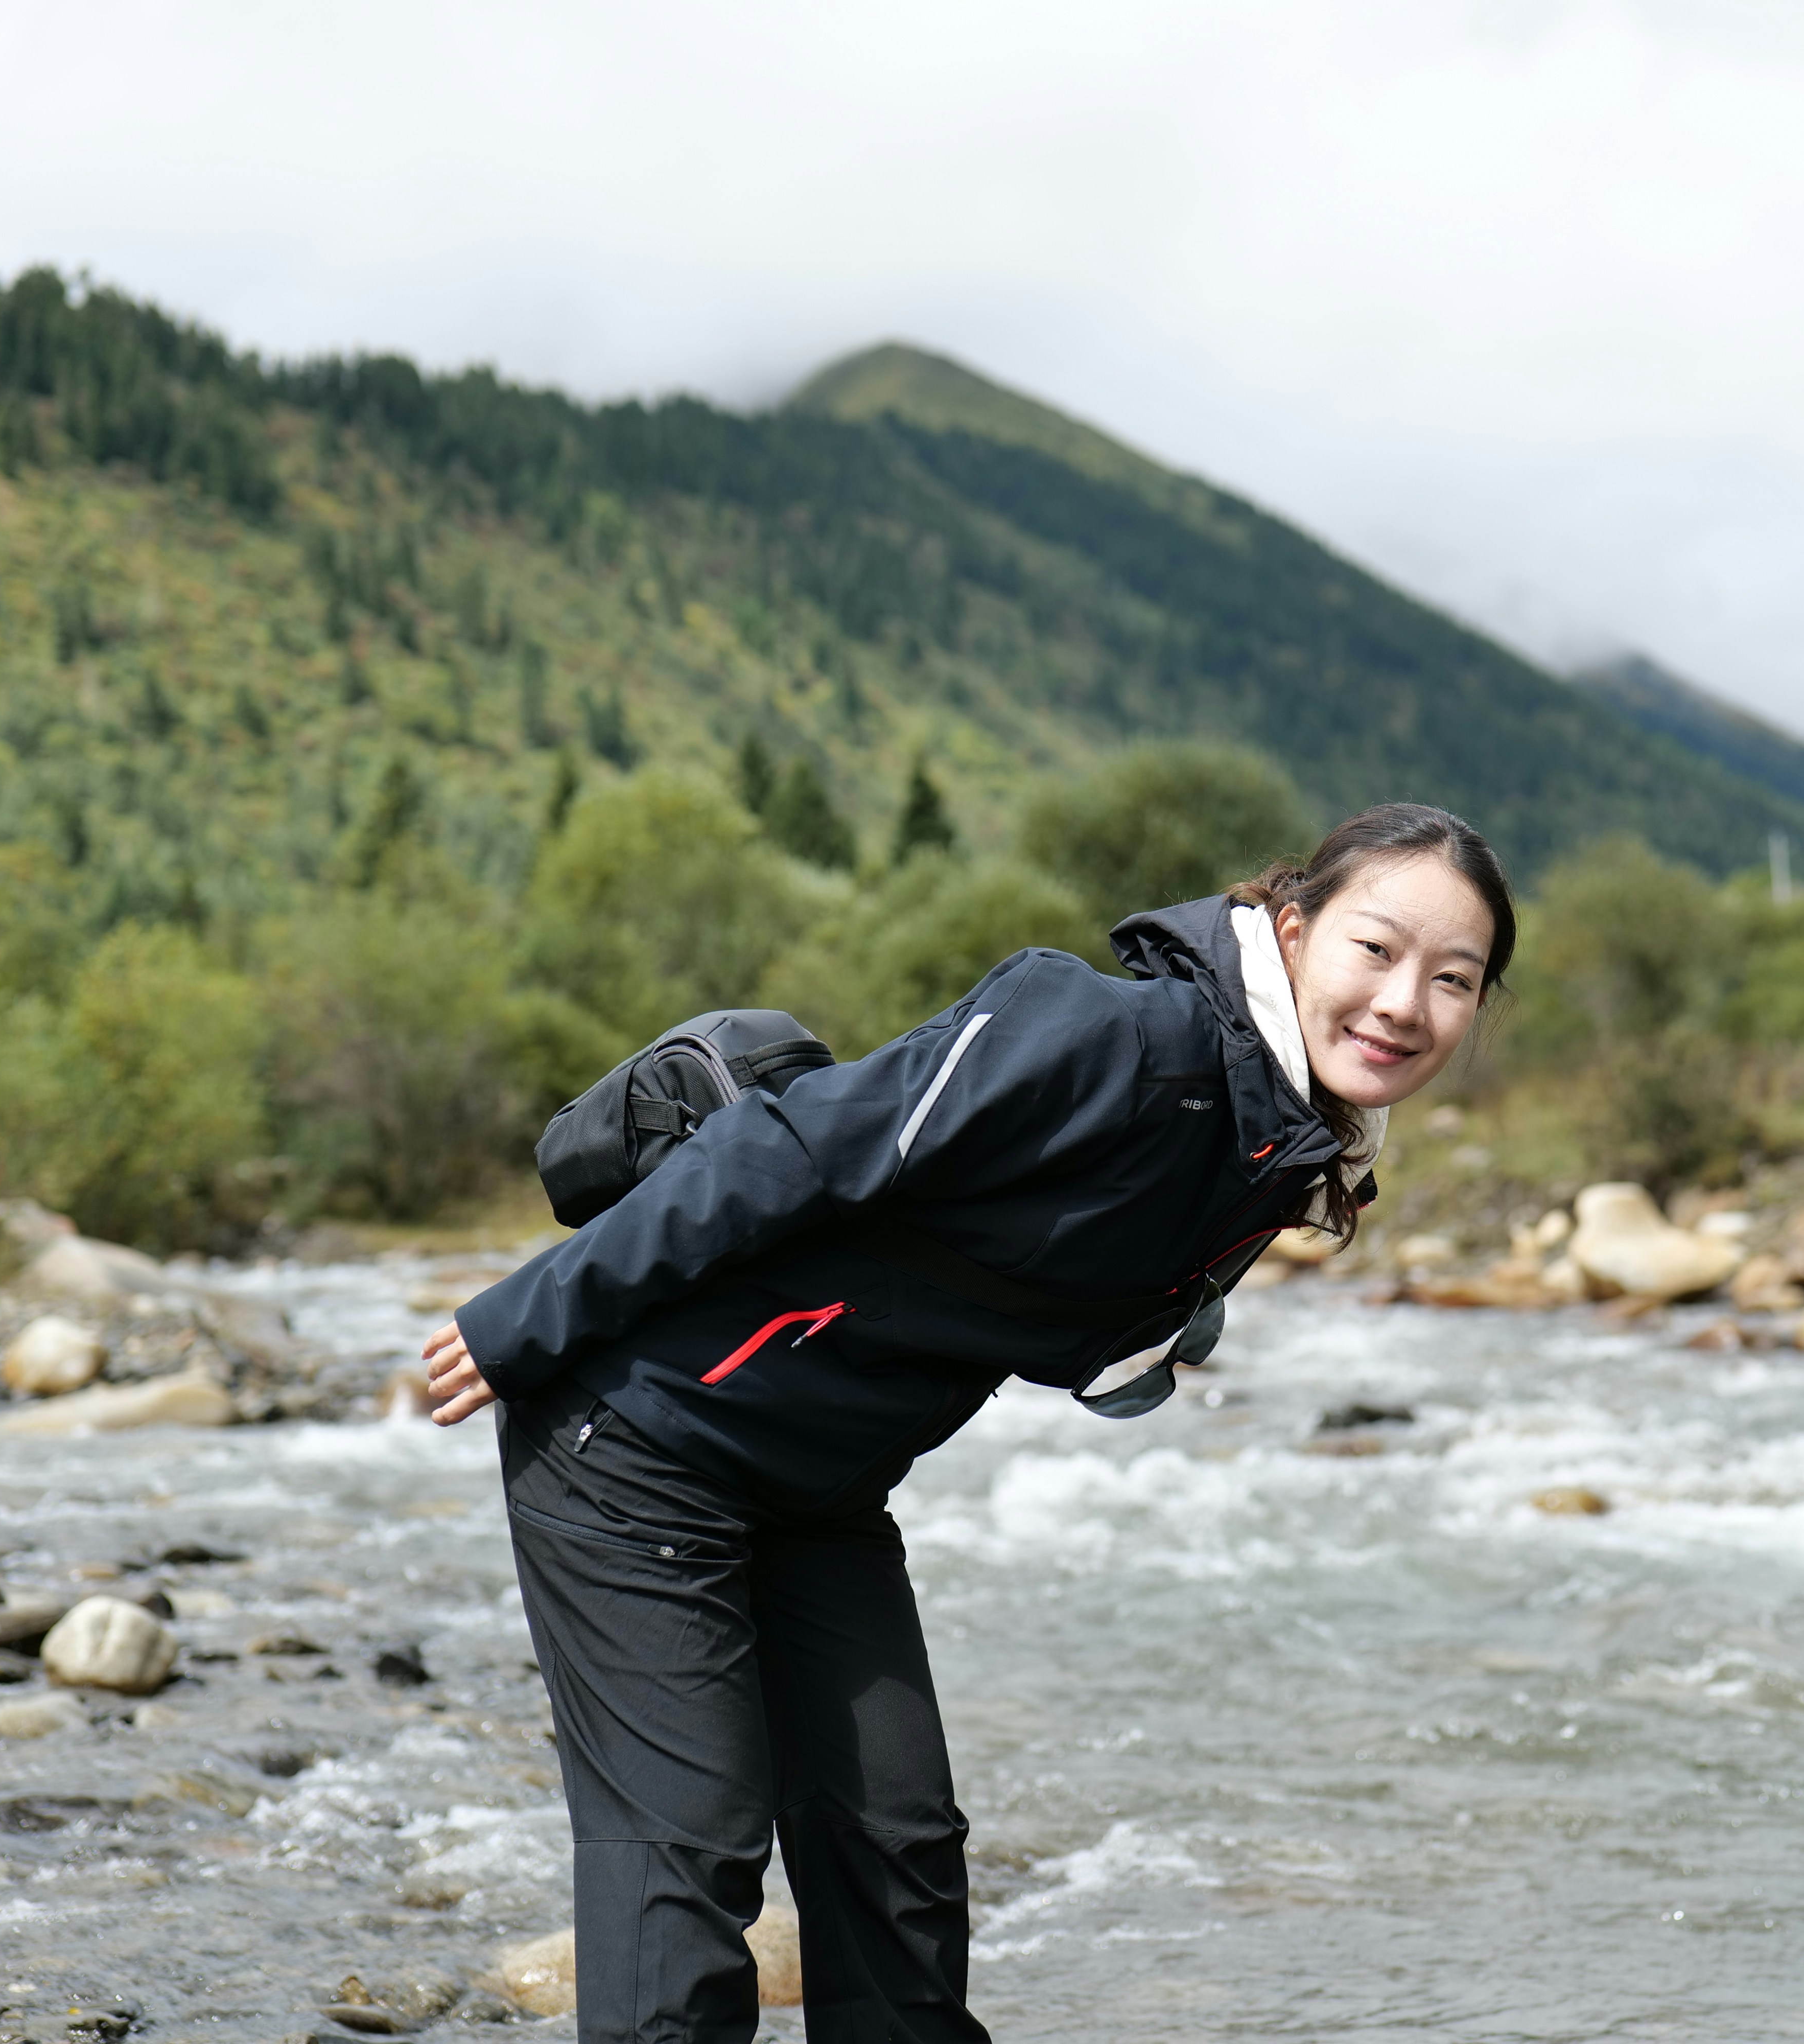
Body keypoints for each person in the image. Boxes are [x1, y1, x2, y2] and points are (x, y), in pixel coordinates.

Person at [420, 801, 1515, 2043]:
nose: (1404, 1001)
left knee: (899, 1857)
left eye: (1453, 978)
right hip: (638, 1442)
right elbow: (796, 1147)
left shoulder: (1280, 1143)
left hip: (821, 1490)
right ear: (1294, 927)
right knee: (687, 1858)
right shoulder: (1106, 1031)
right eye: (1376, 950)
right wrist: (527, 1319)